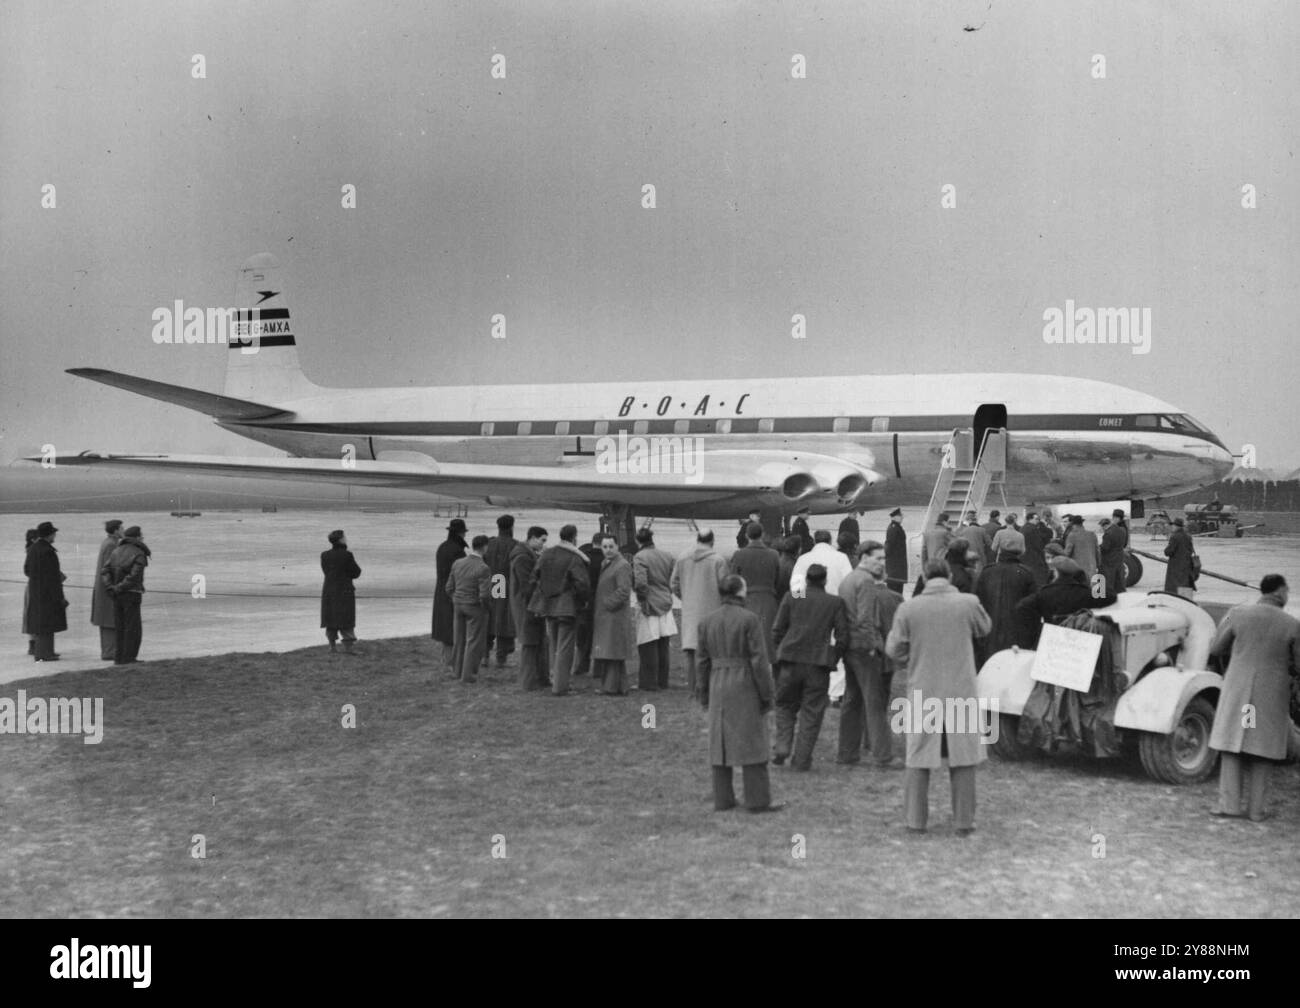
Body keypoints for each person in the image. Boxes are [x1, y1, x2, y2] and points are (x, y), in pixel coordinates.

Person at [886, 558, 993, 835]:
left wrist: (913, 658)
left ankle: (915, 820)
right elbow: (985, 629)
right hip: (961, 689)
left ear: (924, 575)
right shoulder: (968, 603)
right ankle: (964, 822)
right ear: (948, 576)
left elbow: (893, 649)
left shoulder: (908, 608)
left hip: (924, 688)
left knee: (918, 755)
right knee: (964, 757)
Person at [1207, 575, 1300, 822]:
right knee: (1263, 749)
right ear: (1280, 591)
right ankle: (1257, 810)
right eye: (1287, 590)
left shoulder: (1237, 613)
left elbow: (1216, 648)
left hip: (1239, 690)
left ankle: (1229, 805)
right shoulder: (1292, 624)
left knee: (1232, 744)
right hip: (1270, 694)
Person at [697, 574, 783, 813]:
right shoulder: (749, 619)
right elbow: (758, 660)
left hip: (717, 682)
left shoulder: (706, 621)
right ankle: (757, 799)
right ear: (740, 592)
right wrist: (767, 695)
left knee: (720, 742)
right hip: (744, 682)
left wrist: (703, 693)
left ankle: (723, 799)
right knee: (753, 741)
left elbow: (701, 662)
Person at [771, 564, 849, 770]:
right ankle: (802, 759)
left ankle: (782, 745)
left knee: (785, 705)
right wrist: (832, 656)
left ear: (806, 580)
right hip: (818, 663)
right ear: (824, 580)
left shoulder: (793, 597)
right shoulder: (834, 602)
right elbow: (842, 637)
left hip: (790, 659)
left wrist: (781, 652)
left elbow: (778, 629)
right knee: (812, 713)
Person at [837, 541, 902, 767]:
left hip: (850, 647)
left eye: (884, 559)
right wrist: (875, 646)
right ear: (864, 557)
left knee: (852, 700)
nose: (882, 563)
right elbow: (865, 620)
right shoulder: (865, 581)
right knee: (874, 703)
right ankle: (883, 755)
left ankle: (847, 753)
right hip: (865, 649)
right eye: (879, 558)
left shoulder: (849, 579)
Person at [529, 524, 590, 696]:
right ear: (574, 537)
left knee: (553, 644)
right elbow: (582, 584)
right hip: (566, 606)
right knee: (565, 648)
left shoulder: (547, 554)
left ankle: (554, 678)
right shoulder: (574, 557)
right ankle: (561, 686)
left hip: (547, 605)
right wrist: (582, 600)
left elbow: (534, 575)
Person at [670, 527, 729, 697]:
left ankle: (692, 688)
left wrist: (686, 596)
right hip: (713, 611)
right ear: (712, 541)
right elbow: (725, 586)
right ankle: (708, 688)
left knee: (690, 651)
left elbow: (673, 583)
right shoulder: (718, 560)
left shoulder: (682, 558)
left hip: (690, 611)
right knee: (711, 652)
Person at [973, 543, 1037, 664]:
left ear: (999, 555)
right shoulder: (1026, 573)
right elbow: (1032, 608)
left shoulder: (987, 572)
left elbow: (978, 601)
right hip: (1016, 632)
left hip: (989, 630)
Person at [1014, 558, 1097, 648]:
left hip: (1052, 639)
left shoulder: (1047, 593)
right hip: (1079, 642)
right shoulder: (1085, 594)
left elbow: (1022, 607)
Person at [631, 527, 676, 690]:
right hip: (665, 601)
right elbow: (672, 579)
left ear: (638, 541)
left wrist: (642, 601)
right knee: (663, 644)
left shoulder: (639, 557)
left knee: (647, 644)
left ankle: (649, 682)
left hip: (649, 603)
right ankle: (662, 681)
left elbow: (641, 583)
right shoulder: (667, 556)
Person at [729, 521, 780, 661]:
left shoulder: (739, 555)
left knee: (745, 645)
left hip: (745, 601)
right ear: (762, 535)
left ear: (746, 536)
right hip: (768, 601)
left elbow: (732, 581)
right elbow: (779, 580)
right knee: (767, 647)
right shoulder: (774, 555)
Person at [592, 534, 635, 695]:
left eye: (611, 546)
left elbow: (624, 590)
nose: (608, 550)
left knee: (612, 652)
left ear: (617, 547)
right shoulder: (608, 563)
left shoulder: (621, 565)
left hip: (613, 615)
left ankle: (611, 687)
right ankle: (619, 686)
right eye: (605, 547)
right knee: (611, 652)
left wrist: (607, 603)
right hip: (608, 615)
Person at [446, 534, 493, 683]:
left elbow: (448, 587)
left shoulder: (458, 563)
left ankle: (456, 671)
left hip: (458, 605)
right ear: (485, 547)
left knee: (459, 639)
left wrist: (455, 598)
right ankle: (468, 675)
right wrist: (487, 609)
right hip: (474, 607)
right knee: (473, 641)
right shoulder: (483, 567)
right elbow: (485, 595)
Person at [102, 525, 151, 664]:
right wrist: (120, 587)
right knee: (132, 627)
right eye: (141, 535)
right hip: (131, 594)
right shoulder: (139, 553)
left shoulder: (116, 551)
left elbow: (105, 571)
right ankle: (129, 657)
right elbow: (134, 576)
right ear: (136, 538)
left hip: (117, 595)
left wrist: (111, 587)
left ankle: (119, 657)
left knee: (120, 626)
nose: (142, 538)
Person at [509, 526, 550, 690]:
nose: (543, 544)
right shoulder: (523, 558)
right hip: (528, 607)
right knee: (529, 643)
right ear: (532, 538)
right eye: (542, 540)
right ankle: (528, 682)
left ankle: (538, 679)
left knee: (537, 642)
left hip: (528, 606)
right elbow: (527, 586)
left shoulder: (525, 554)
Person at [25, 521, 68, 662]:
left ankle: (46, 651)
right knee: (47, 624)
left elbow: (26, 570)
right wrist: (59, 596)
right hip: (49, 593)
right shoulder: (48, 551)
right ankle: (45, 653)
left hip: (36, 591)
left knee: (41, 623)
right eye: (53, 533)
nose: (55, 535)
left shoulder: (33, 549)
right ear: (49, 535)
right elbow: (53, 577)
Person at [432, 518, 468, 671]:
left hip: (441, 591)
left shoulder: (442, 547)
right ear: (461, 533)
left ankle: (446, 660)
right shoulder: (458, 551)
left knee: (445, 627)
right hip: (454, 593)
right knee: (453, 629)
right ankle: (451, 662)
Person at [482, 514, 517, 667]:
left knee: (489, 619)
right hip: (505, 584)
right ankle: (501, 657)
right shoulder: (515, 544)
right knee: (503, 620)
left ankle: (484, 655)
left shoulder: (489, 544)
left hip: (491, 583)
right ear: (511, 527)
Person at [320, 530, 362, 654]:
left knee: (330, 618)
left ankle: (332, 647)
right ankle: (349, 648)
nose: (346, 538)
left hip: (329, 590)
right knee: (346, 619)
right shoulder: (347, 555)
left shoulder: (324, 555)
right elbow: (356, 572)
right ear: (340, 540)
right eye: (344, 537)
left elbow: (326, 571)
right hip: (345, 591)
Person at [91, 519, 124, 660]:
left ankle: (110, 650)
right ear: (116, 530)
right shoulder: (111, 545)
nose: (123, 530)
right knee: (109, 620)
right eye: (121, 528)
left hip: (104, 588)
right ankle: (109, 651)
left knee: (108, 620)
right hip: (108, 589)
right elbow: (110, 568)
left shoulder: (108, 543)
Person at [574, 531, 604, 678]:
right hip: (601, 601)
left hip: (584, 601)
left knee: (582, 636)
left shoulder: (582, 556)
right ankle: (599, 669)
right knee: (599, 636)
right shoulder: (606, 559)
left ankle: (581, 665)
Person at [789, 530, 852, 598]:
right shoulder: (842, 557)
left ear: (814, 542)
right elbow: (849, 583)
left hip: (809, 603)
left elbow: (796, 585)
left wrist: (801, 603)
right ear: (830, 541)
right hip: (835, 603)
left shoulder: (803, 559)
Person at [1164, 516, 1197, 599]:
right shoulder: (1188, 536)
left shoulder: (1175, 537)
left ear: (1176, 526)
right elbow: (1191, 550)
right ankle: (1186, 601)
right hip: (1187, 565)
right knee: (1185, 584)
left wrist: (1166, 550)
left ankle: (1174, 601)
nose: (1172, 527)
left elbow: (1169, 552)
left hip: (1176, 566)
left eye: (1173, 526)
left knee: (1173, 587)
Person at [1021, 511, 1052, 587]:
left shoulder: (1022, 528)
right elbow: (1038, 544)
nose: (1038, 520)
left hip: (1024, 556)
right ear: (1030, 519)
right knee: (1039, 578)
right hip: (1035, 557)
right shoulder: (1033, 529)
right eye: (1036, 519)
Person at [1064, 514, 1100, 579]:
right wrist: (1098, 565)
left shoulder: (1072, 535)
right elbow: (1097, 551)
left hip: (1078, 570)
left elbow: (1067, 553)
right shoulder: (1092, 534)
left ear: (1073, 525)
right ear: (1082, 524)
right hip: (1092, 568)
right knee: (1091, 588)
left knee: (1079, 588)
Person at [21, 528, 39, 655]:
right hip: (35, 587)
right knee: (34, 614)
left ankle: (33, 644)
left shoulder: (31, 550)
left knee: (31, 614)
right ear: (33, 539)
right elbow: (28, 570)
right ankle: (34, 644)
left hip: (32, 586)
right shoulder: (34, 551)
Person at [884, 508, 908, 595]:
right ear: (894, 517)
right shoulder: (893, 528)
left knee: (897, 590)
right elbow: (889, 545)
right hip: (895, 566)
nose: (902, 517)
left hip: (897, 566)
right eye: (900, 516)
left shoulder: (896, 527)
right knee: (894, 591)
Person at [774, 535, 799, 601]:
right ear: (799, 550)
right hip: (788, 603)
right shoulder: (794, 566)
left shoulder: (778, 561)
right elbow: (798, 594)